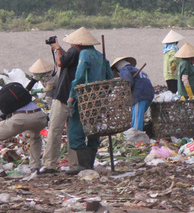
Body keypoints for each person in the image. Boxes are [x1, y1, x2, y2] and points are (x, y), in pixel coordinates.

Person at [67, 27, 113, 173]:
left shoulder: (84, 53)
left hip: (85, 98)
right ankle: (89, 165)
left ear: (78, 44)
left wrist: (71, 97)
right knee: (94, 129)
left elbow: (80, 77)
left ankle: (83, 165)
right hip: (99, 99)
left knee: (75, 130)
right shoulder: (101, 56)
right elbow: (110, 78)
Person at [40, 38, 81, 174]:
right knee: (73, 133)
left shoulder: (74, 50)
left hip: (64, 96)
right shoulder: (84, 53)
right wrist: (58, 49)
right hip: (76, 99)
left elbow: (60, 62)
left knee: (54, 130)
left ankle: (49, 164)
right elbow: (66, 58)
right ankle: (74, 165)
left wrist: (57, 48)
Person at [0, 82, 48, 174]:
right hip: (40, 116)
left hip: (21, 119)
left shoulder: (4, 99)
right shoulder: (20, 94)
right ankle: (35, 167)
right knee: (35, 137)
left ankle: (0, 170)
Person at [111, 57, 154, 131]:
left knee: (137, 118)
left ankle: (136, 138)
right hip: (149, 94)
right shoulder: (134, 70)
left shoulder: (124, 70)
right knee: (138, 116)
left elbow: (129, 82)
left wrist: (122, 92)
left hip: (140, 95)